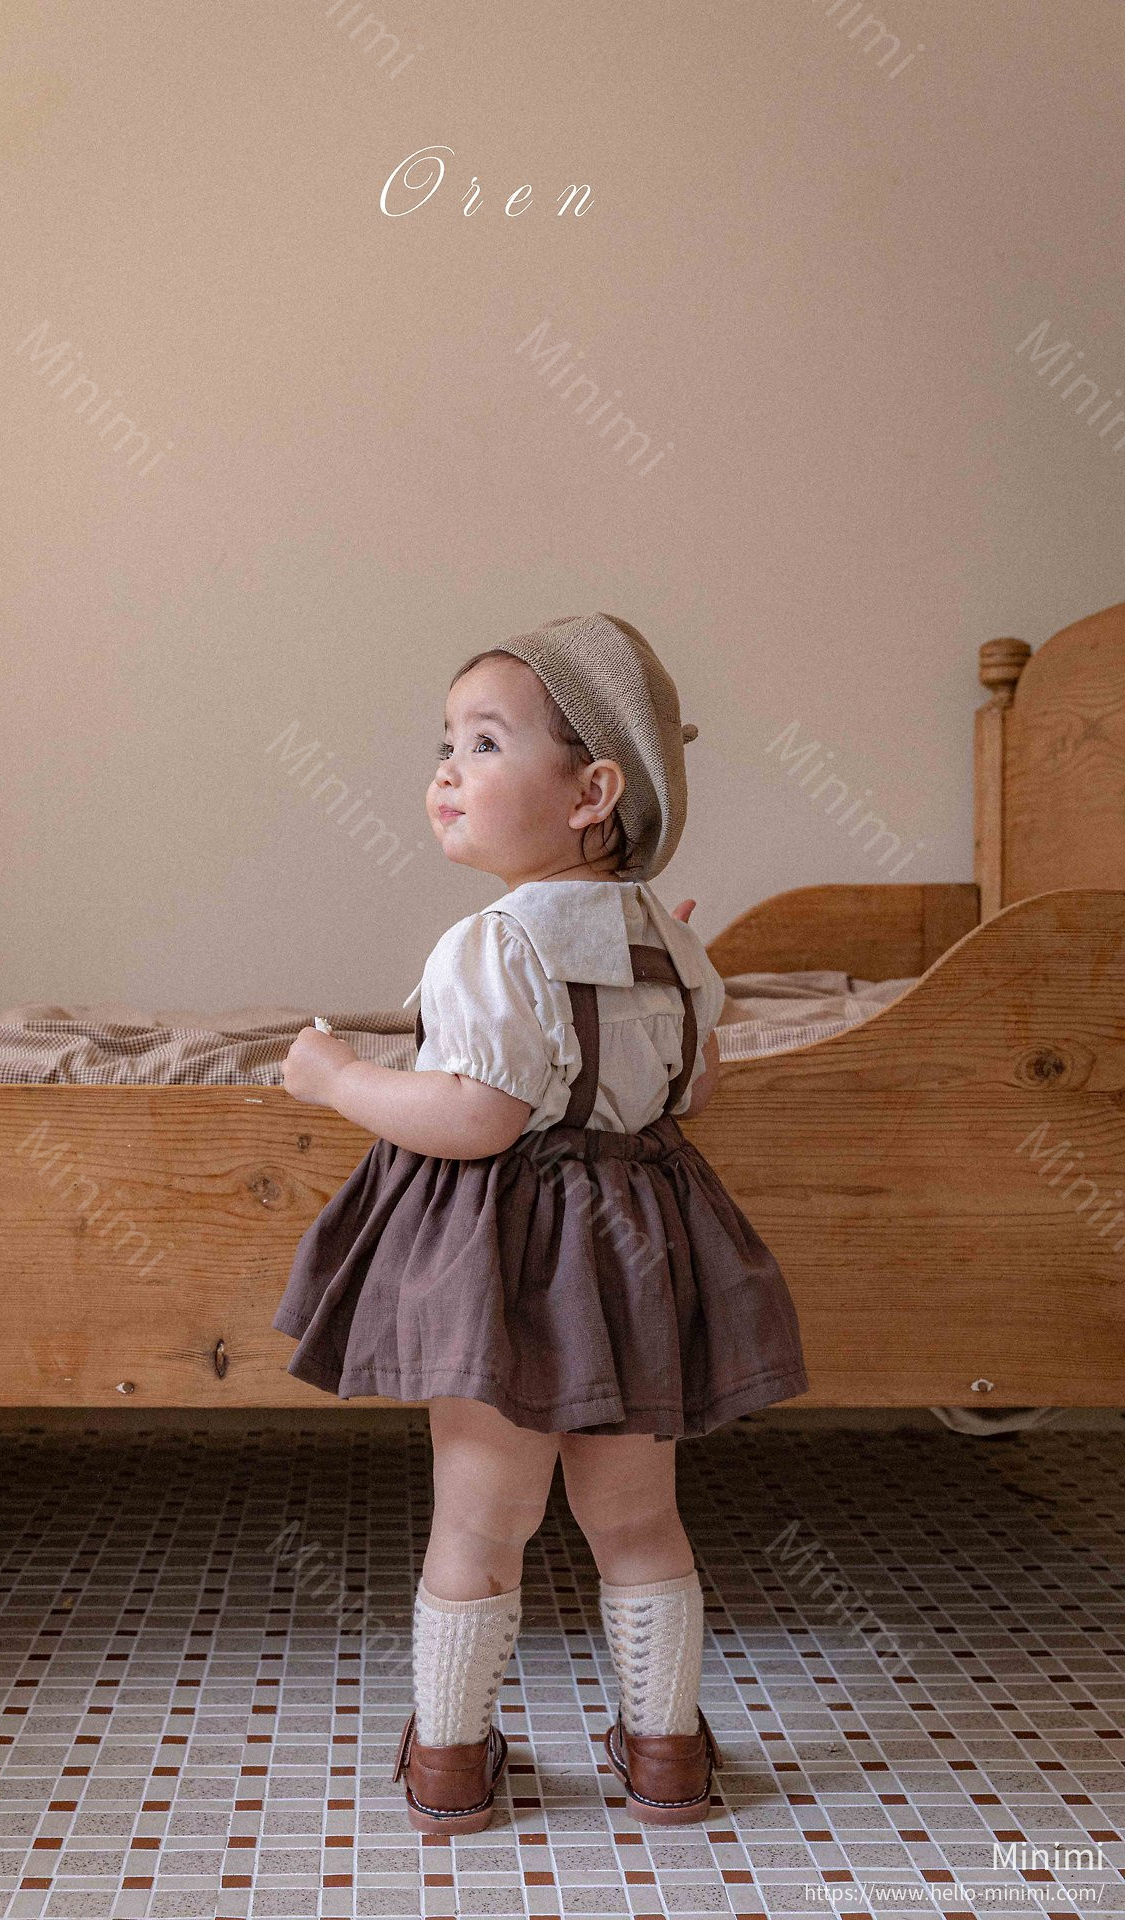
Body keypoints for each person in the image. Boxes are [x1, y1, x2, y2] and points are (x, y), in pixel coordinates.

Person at [273, 611, 809, 1835]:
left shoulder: (490, 942)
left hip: (509, 1266)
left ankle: (450, 1760)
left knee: (481, 1516)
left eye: (482, 742)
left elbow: (476, 1116)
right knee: (636, 1516)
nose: (445, 772)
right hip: (634, 1256)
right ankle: (664, 1751)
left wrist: (337, 1078)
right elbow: (692, 1088)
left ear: (590, 792)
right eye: (444, 745)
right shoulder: (676, 948)